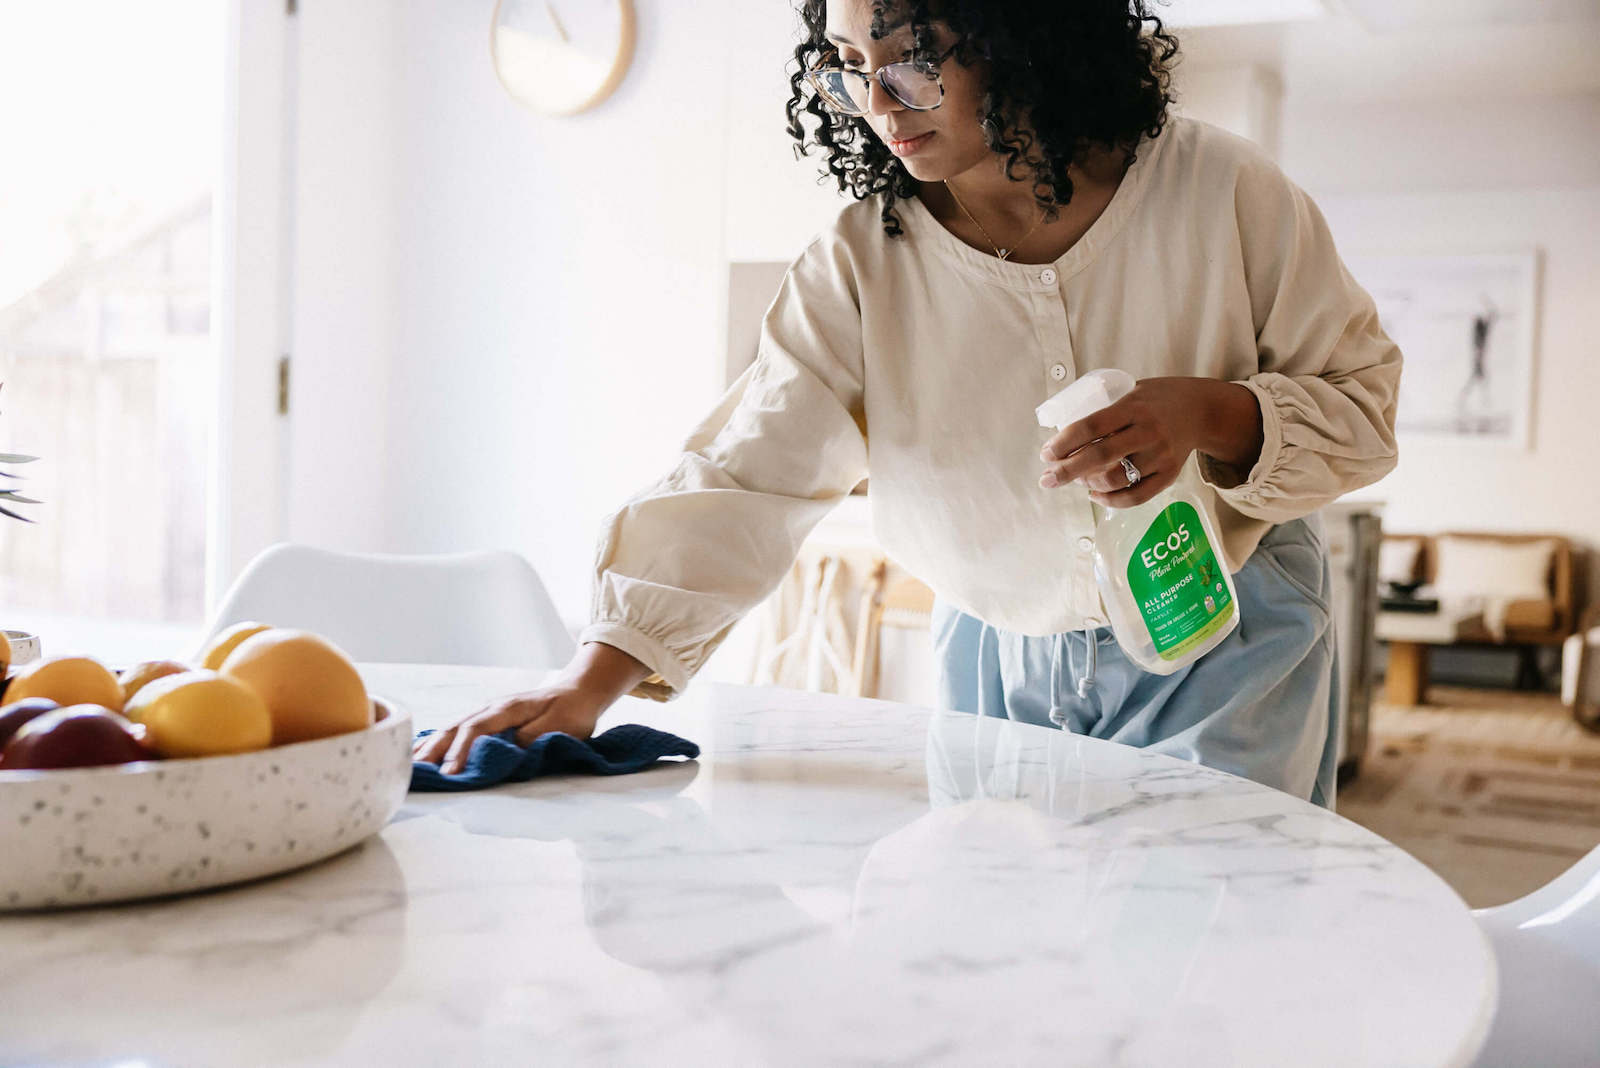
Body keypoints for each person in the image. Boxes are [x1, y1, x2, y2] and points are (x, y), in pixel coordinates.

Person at [415, 0, 1401, 809]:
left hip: (1223, 623)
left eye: (915, 61)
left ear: (1022, 31)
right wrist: (590, 680)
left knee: (1209, 961)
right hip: (995, 649)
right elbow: (744, 473)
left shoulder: (1221, 191)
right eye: (848, 66)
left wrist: (1209, 413)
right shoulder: (859, 263)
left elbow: (1361, 409)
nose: (880, 103)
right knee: (1013, 974)